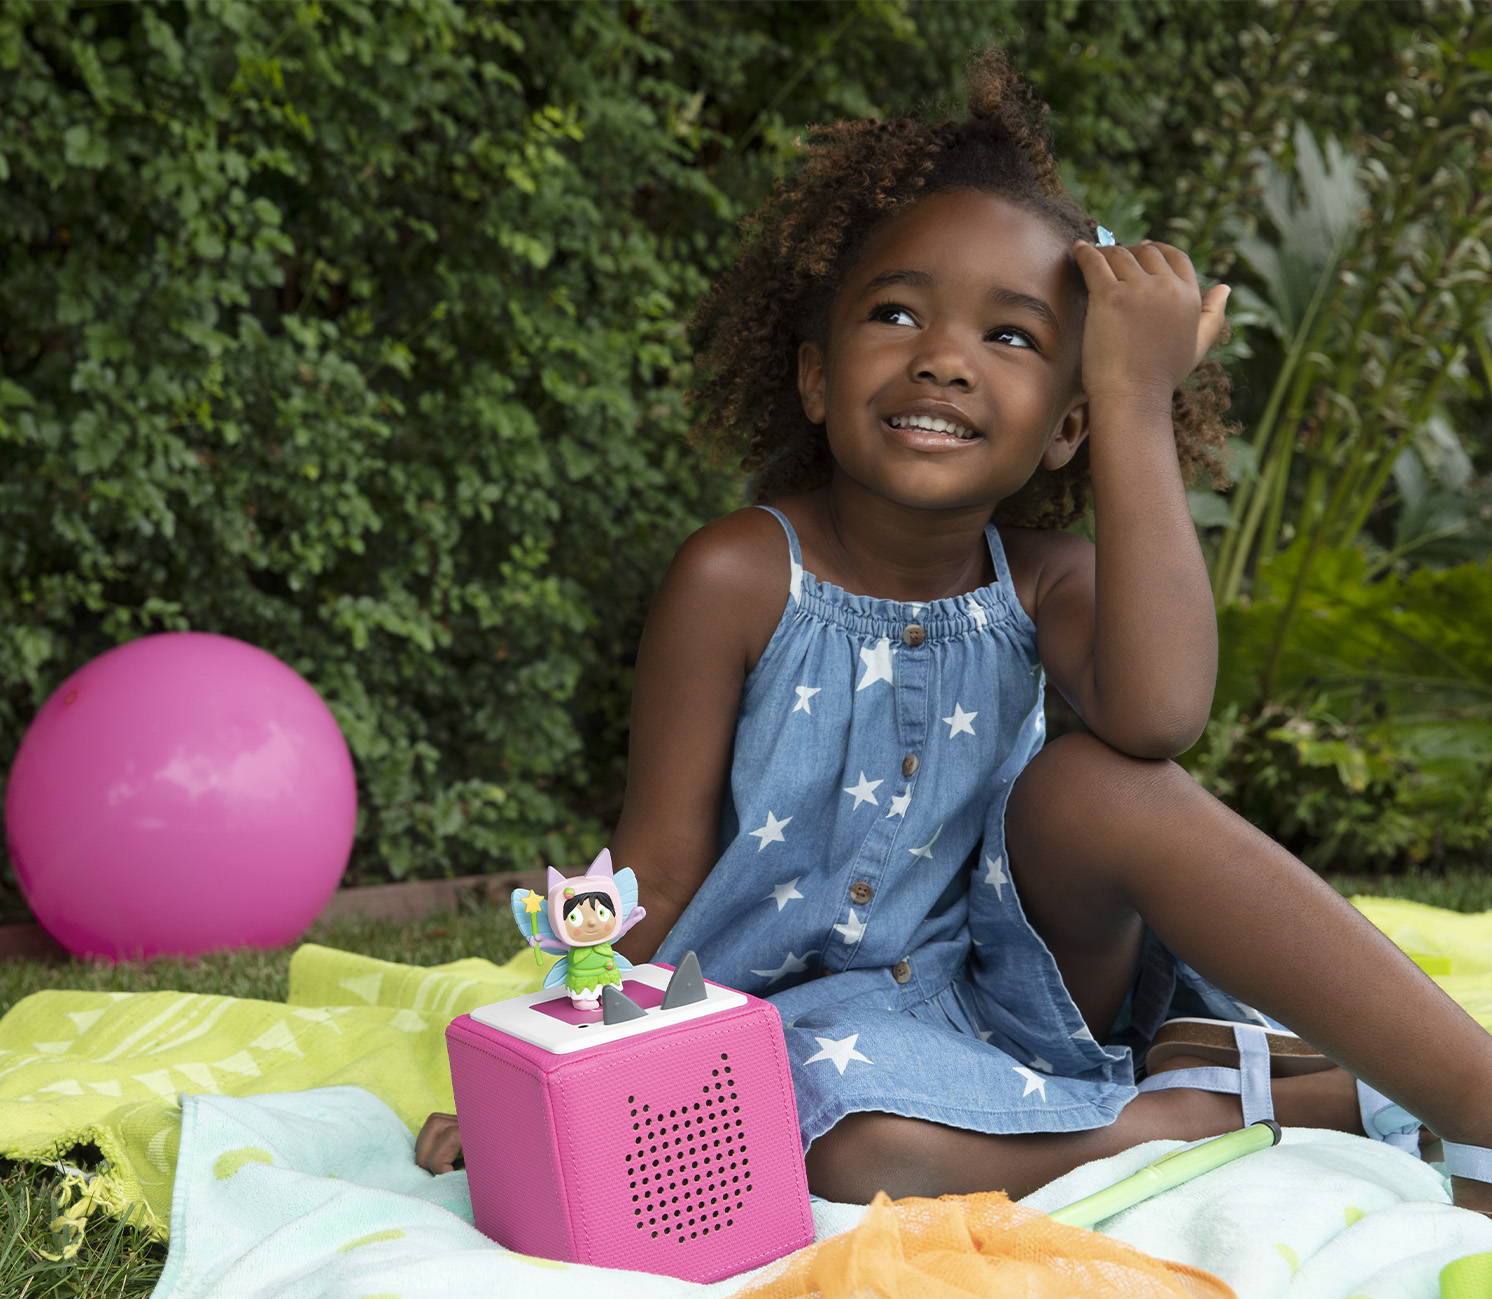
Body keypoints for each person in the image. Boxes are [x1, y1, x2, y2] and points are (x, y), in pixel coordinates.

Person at [420, 49, 1492, 1214]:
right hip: (803, 1032)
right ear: (816, 377)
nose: (941, 355)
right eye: (895, 312)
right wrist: (550, 1069)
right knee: (836, 1143)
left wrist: (1136, 398)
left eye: (1013, 338)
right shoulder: (734, 575)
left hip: (1020, 986)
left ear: (1068, 421)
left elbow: (1161, 715)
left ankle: (1475, 1100)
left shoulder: (1046, 581)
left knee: (1098, 784)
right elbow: (658, 870)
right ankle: (1196, 1113)